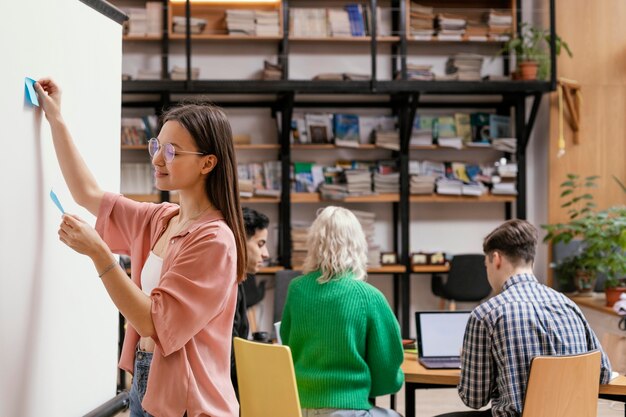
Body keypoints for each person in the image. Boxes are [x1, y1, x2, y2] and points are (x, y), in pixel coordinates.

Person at [35, 78, 247, 417]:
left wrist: (100, 254)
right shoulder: (161, 219)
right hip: (145, 385)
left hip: (188, 404)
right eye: (156, 146)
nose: (158, 160)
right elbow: (86, 192)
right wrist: (56, 117)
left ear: (207, 163)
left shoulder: (214, 241)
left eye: (172, 152)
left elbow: (154, 322)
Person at [436, 219, 612, 417]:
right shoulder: (568, 305)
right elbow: (604, 373)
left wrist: (470, 359)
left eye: (486, 266)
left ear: (496, 259)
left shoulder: (486, 314)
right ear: (531, 260)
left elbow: (474, 399)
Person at [280, 206, 404, 417]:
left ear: (314, 244)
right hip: (348, 409)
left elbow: (287, 342)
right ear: (358, 245)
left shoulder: (296, 289)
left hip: (298, 408)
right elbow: (388, 376)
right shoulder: (369, 296)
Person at [231, 207, 270, 395]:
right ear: (240, 241)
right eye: (260, 244)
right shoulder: (227, 287)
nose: (266, 254)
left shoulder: (237, 281)